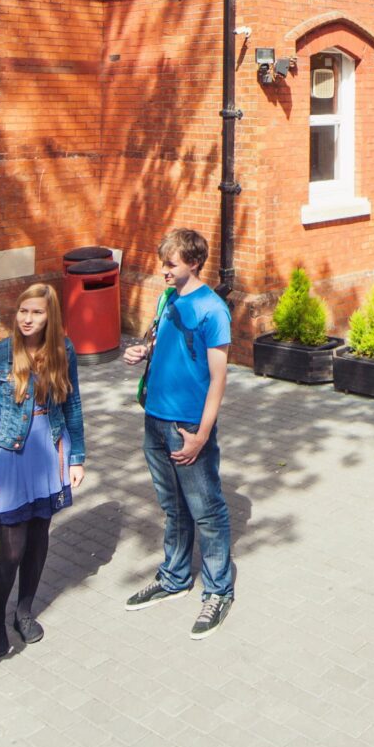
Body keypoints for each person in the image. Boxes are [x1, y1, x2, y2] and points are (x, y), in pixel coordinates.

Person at [121, 228, 236, 638]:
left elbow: (219, 379)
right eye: (163, 262)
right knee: (173, 505)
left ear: (193, 262)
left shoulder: (213, 310)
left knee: (207, 509)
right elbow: (163, 344)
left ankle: (218, 590)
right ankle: (174, 578)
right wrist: (142, 352)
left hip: (188, 425)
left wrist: (201, 434)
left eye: (171, 264)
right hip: (155, 417)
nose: (163, 271)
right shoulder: (168, 298)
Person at [0, 282, 86, 659]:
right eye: (23, 311)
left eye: (36, 312)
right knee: (11, 551)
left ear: (50, 316)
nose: (27, 319)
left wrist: (77, 456)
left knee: (38, 538)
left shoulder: (63, 350)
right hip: (10, 459)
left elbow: (73, 404)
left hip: (48, 451)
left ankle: (24, 611)